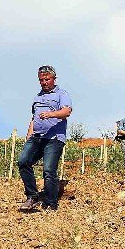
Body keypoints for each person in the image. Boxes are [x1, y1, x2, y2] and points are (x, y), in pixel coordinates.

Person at [18, 65, 72, 211]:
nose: (44, 82)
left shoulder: (62, 94)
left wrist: (50, 114)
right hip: (37, 137)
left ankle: (50, 203)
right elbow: (33, 119)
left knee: (48, 170)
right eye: (41, 80)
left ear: (54, 79)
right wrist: (29, 137)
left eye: (47, 79)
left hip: (54, 138)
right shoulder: (37, 97)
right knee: (23, 161)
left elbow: (67, 111)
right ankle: (32, 197)